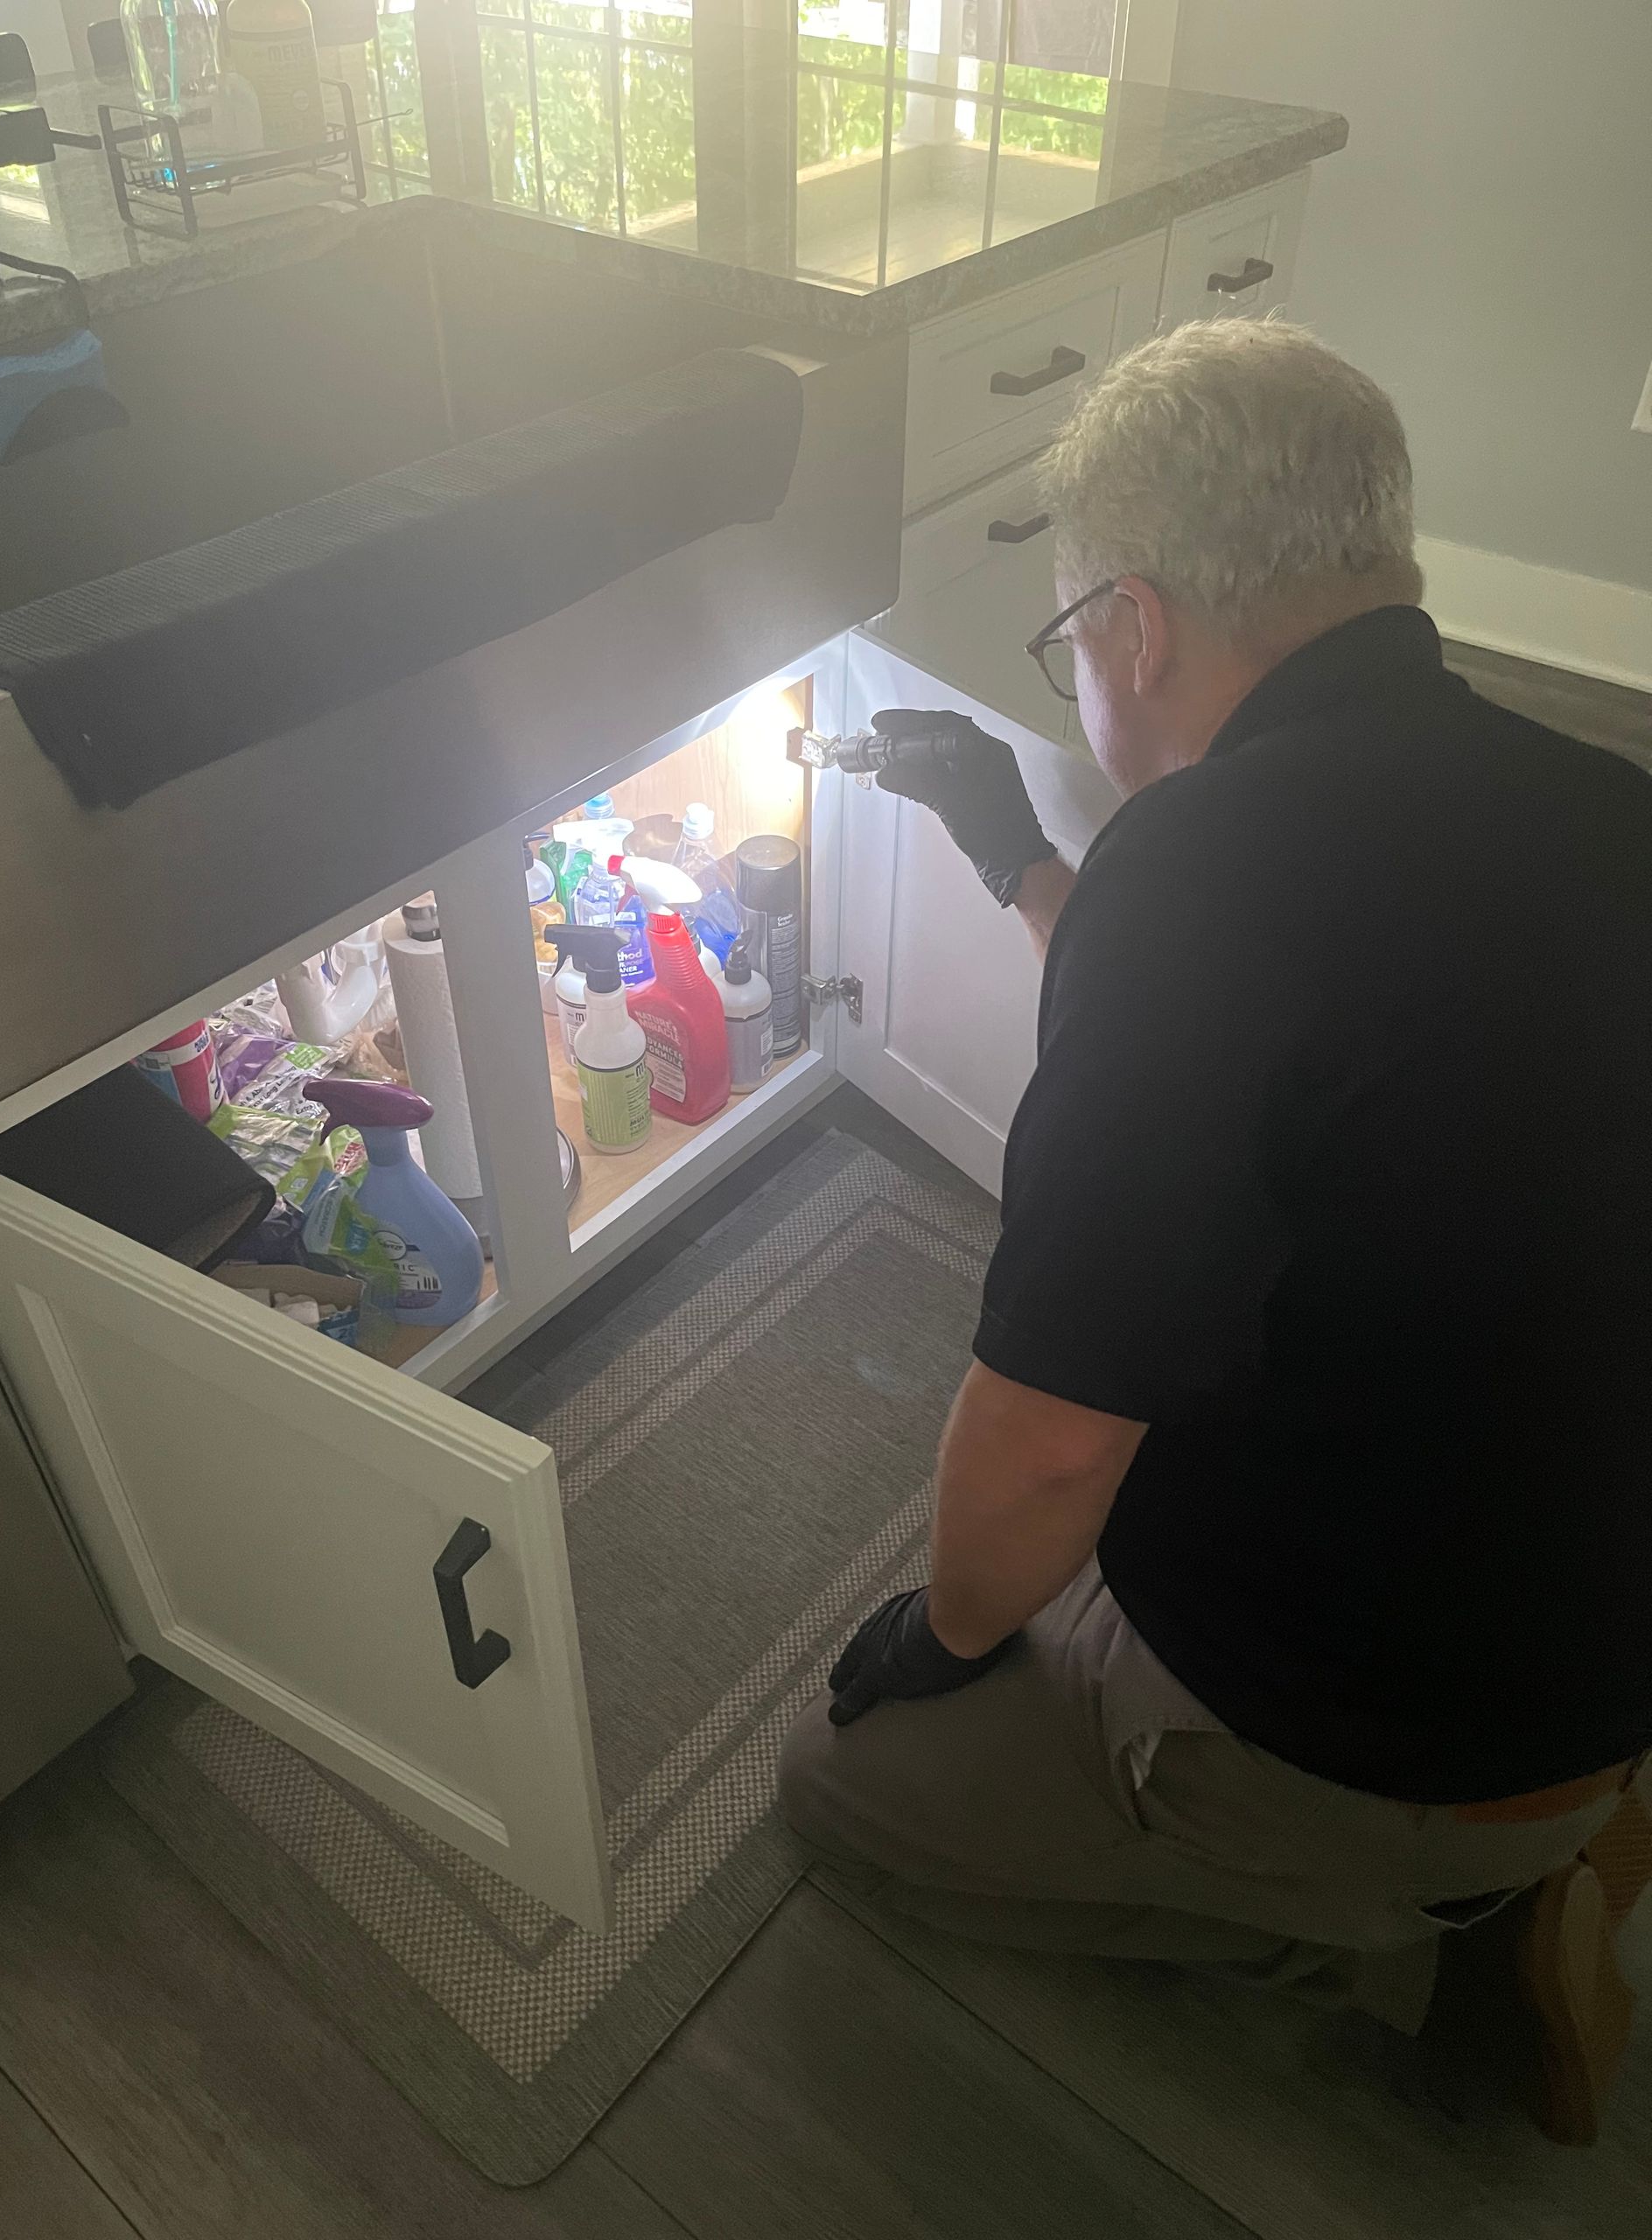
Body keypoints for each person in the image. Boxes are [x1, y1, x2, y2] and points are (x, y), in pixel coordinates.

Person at [776, 318, 1652, 2146]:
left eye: (1064, 631)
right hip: (1598, 1623)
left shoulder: (1203, 876)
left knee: (836, 1784)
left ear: (1135, 625)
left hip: (1409, 1736)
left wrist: (946, 1636)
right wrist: (1021, 858)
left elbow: (1051, 1446)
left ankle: (1393, 1935)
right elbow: (1281, 1040)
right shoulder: (1598, 800)